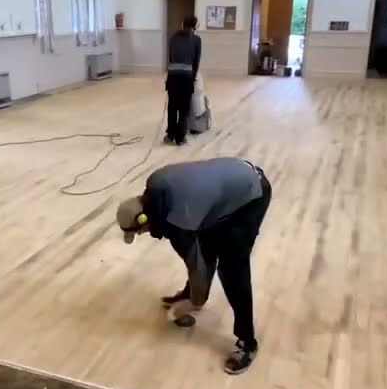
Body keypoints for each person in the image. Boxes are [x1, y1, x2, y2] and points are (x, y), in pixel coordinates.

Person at [115, 157, 272, 374]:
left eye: (139, 231)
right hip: (230, 180)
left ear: (144, 220)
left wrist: (194, 303)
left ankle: (247, 341)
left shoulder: (181, 218)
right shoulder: (156, 186)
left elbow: (198, 264)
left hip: (251, 194)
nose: (142, 235)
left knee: (231, 267)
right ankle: (190, 291)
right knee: (206, 244)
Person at [165, 15, 201, 145]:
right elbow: (196, 62)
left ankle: (170, 135)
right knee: (184, 109)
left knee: (172, 107)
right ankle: (180, 138)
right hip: (186, 78)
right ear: (195, 26)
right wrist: (193, 78)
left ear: (182, 24)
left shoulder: (173, 38)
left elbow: (170, 58)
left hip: (173, 77)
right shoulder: (196, 40)